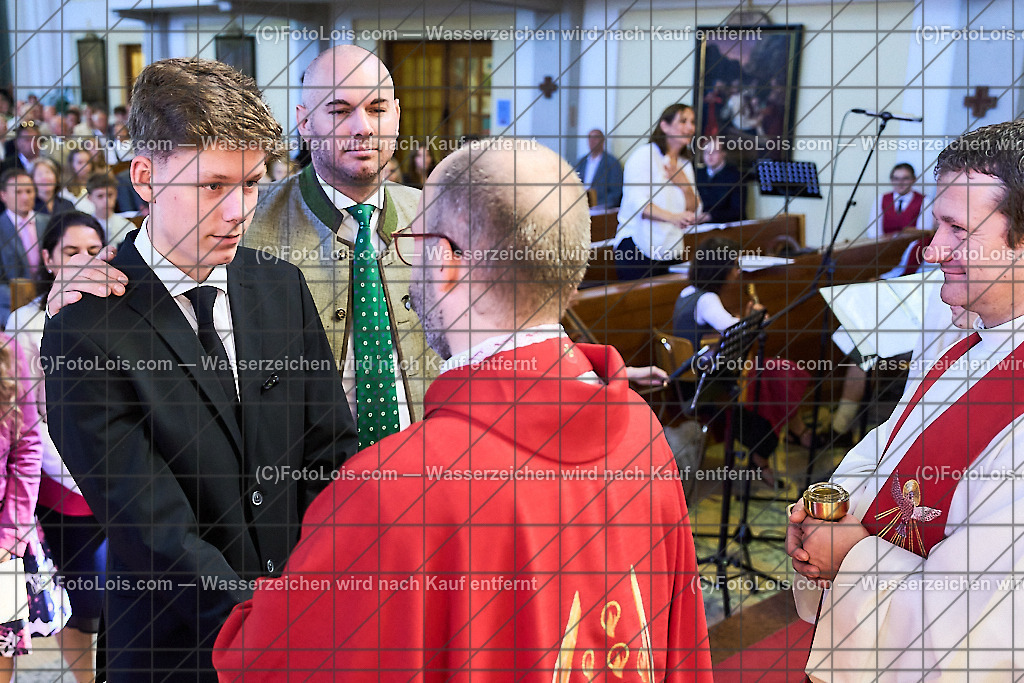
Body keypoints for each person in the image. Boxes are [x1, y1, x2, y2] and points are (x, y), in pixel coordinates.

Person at [213, 138, 713, 681]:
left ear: (445, 258)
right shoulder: (642, 433)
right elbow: (681, 651)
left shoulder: (393, 490)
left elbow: (263, 663)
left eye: (414, 239)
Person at [41, 58, 358, 682]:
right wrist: (272, 622)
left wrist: (332, 591)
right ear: (145, 178)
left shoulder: (279, 287)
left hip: (304, 638)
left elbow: (331, 455)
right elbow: (151, 528)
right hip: (177, 652)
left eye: (251, 183)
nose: (239, 208)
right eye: (213, 185)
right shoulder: (86, 326)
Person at [788, 119, 1024, 680]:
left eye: (957, 229)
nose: (932, 250)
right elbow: (896, 438)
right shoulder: (959, 324)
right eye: (934, 225)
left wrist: (851, 556)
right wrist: (831, 507)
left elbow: (978, 619)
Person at [7, 211, 107, 683]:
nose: (84, 261)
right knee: (79, 602)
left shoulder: (123, 311)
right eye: (70, 252)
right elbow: (29, 422)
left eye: (93, 250)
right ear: (48, 259)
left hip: (120, 480)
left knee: (119, 598)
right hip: (59, 487)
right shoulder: (24, 324)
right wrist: (79, 468)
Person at [672, 237, 810, 486]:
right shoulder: (707, 300)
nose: (738, 271)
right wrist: (756, 318)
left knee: (772, 373)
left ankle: (784, 434)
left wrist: (744, 320)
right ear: (721, 270)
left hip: (692, 378)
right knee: (782, 373)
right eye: (735, 265)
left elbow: (726, 329)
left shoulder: (687, 293)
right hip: (709, 384)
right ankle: (771, 444)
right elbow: (738, 331)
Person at [0, 333, 71, 682]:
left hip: (4, 540)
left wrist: (11, 532)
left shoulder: (8, 354)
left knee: (3, 646)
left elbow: (27, 447)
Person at [616, 104, 709, 280]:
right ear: (665, 126)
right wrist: (673, 217)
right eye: (683, 121)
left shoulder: (684, 164)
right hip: (638, 247)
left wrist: (684, 186)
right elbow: (638, 205)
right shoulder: (644, 156)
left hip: (671, 247)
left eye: (692, 122)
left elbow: (695, 210)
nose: (690, 127)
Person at [0, 168, 48, 323]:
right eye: (18, 192)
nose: (25, 197)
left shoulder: (48, 222)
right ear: (3, 195)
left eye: (29, 191)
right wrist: (25, 297)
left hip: (47, 299)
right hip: (10, 306)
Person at [868, 162, 929, 239]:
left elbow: (923, 233)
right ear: (891, 180)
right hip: (884, 246)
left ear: (913, 179)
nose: (900, 183)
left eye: (905, 178)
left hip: (912, 248)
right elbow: (873, 230)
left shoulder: (924, 201)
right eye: (896, 179)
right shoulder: (881, 199)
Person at [694, 136, 745, 223]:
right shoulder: (697, 174)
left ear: (723, 153)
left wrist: (710, 216)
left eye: (714, 152)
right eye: (706, 152)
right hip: (700, 225)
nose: (709, 156)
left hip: (726, 226)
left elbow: (738, 211)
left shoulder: (736, 176)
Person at [572, 128, 624, 208]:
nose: (592, 141)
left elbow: (615, 193)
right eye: (590, 138)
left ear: (602, 141)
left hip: (600, 208)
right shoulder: (581, 162)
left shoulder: (612, 163)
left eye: (595, 138)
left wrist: (596, 205)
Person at [86, 172, 133, 246]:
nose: (106, 201)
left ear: (116, 194)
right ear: (90, 198)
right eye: (100, 196)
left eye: (110, 195)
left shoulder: (127, 226)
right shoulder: (84, 226)